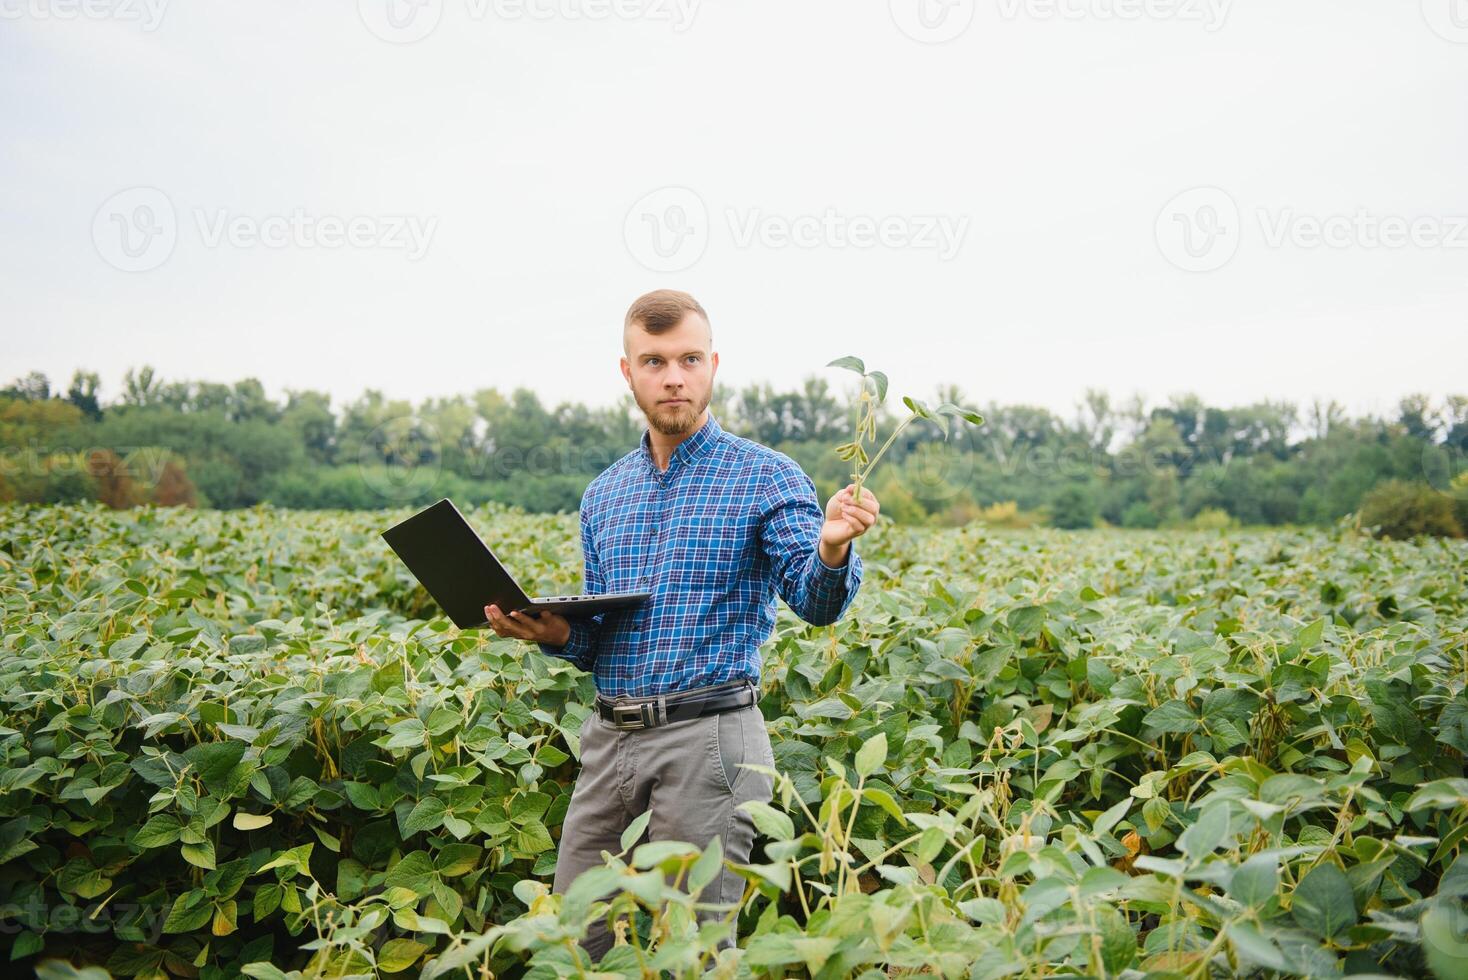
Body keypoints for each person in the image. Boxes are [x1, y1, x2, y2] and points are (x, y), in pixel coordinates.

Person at [483, 288, 879, 960]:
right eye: (655, 361)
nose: (674, 376)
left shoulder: (764, 476)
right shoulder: (606, 493)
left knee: (689, 949)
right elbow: (605, 634)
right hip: (610, 741)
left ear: (713, 365)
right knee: (578, 942)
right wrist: (554, 634)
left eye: (689, 359)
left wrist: (833, 546)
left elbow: (816, 601)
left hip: (708, 741)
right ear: (628, 372)